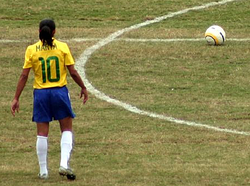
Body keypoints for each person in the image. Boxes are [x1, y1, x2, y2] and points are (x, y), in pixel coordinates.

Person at [11, 18, 88, 180]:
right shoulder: (62, 47)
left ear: (39, 32)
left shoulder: (31, 50)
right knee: (66, 129)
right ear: (54, 32)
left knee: (42, 133)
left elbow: (24, 75)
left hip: (41, 94)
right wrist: (83, 87)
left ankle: (43, 171)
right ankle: (64, 164)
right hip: (59, 92)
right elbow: (73, 72)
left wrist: (16, 98)